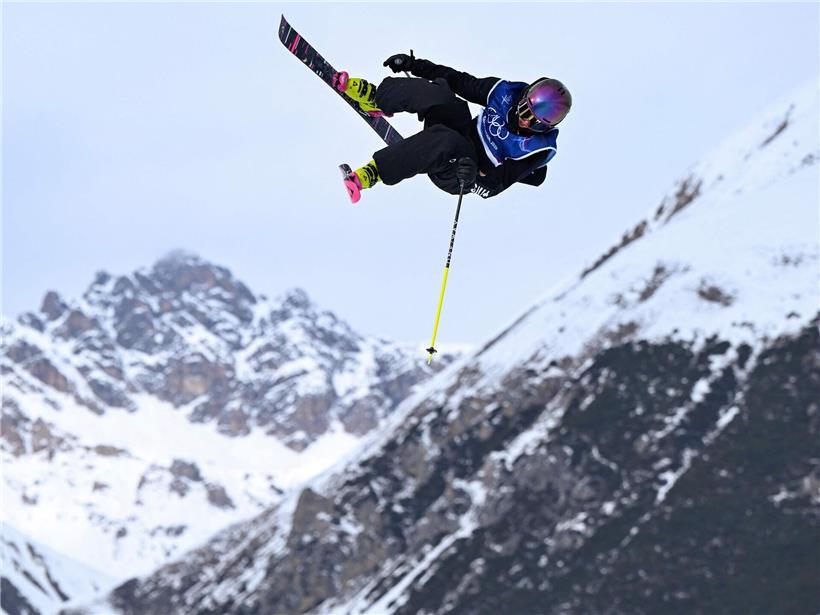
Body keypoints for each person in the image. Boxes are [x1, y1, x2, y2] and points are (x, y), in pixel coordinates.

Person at [336, 52, 572, 203]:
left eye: (534, 123)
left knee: (449, 141)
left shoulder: (537, 150)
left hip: (460, 172)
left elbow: (495, 186)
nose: (524, 121)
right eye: (524, 111)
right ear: (523, 97)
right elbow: (459, 80)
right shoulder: (503, 93)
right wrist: (416, 65)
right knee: (442, 94)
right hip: (457, 130)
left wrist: (472, 181)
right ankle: (376, 100)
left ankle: (372, 173)